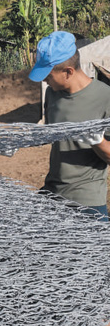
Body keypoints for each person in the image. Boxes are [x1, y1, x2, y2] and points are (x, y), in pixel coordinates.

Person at [29, 31, 110, 221]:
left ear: (68, 72)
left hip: (86, 200)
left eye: (48, 75)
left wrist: (98, 142)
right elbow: (53, 136)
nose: (43, 80)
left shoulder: (105, 98)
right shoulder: (52, 94)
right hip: (52, 192)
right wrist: (20, 140)